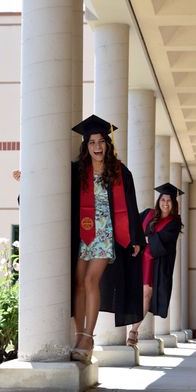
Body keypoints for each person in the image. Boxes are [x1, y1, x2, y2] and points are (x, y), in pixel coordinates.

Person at [71, 114, 146, 363]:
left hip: (106, 233)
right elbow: (56, 192)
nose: (97, 147)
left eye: (101, 141)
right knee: (78, 282)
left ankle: (88, 337)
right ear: (86, 146)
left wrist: (135, 236)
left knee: (92, 280)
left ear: (108, 143)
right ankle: (78, 335)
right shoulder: (78, 171)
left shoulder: (120, 172)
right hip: (83, 233)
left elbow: (131, 206)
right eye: (91, 142)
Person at [126, 182, 184, 346]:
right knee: (133, 293)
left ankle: (134, 330)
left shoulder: (174, 223)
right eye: (163, 199)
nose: (165, 203)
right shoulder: (147, 214)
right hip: (137, 260)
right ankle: (126, 325)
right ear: (159, 201)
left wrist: (145, 239)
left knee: (146, 294)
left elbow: (163, 243)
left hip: (155, 264)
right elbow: (133, 225)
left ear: (174, 203)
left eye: (169, 200)